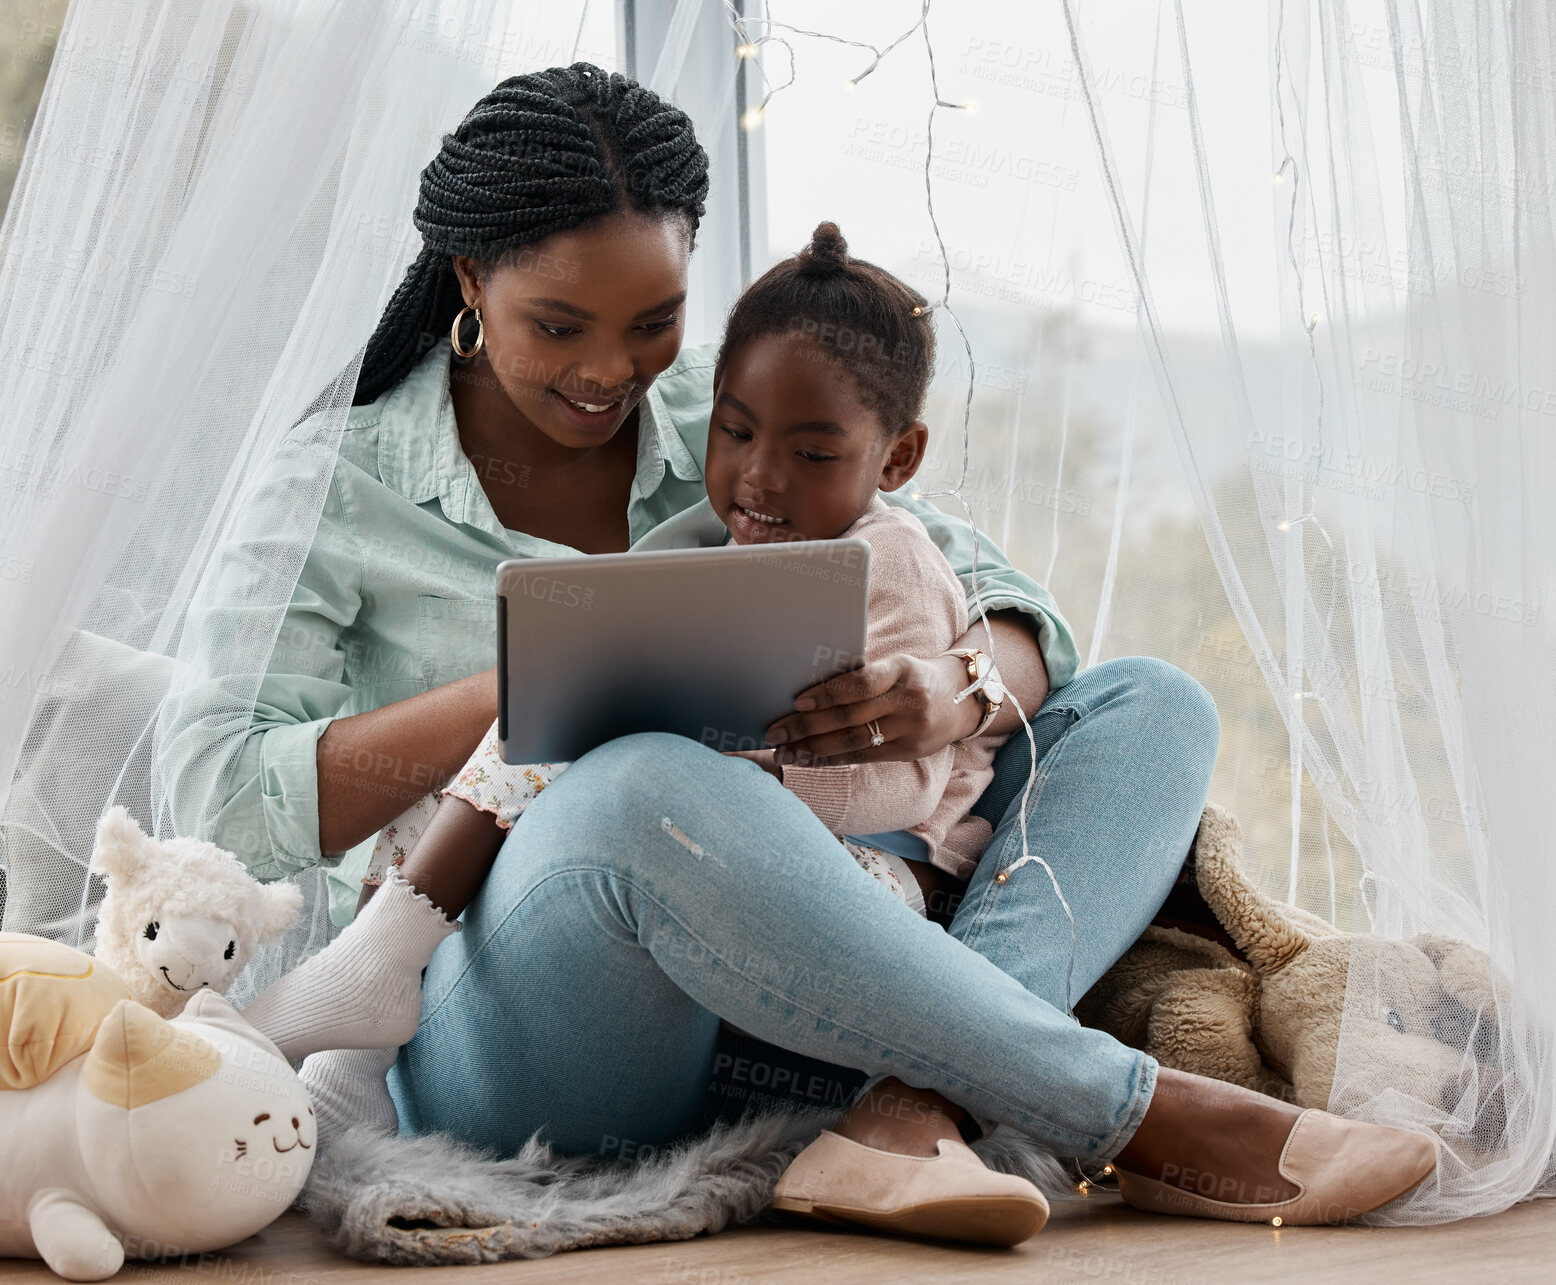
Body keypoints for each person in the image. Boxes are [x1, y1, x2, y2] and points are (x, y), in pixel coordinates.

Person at [161, 63, 1436, 1248]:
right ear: (466, 279)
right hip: (538, 1022)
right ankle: (1128, 1109)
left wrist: (954, 685)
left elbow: (1001, 600)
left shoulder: (729, 419)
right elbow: (217, 790)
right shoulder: (331, 486)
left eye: (652, 321)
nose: (610, 372)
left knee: (1148, 704)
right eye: (558, 326)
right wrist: (550, 668)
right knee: (644, 781)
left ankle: (907, 1102)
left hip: (796, 994)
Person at [240, 218, 1055, 1240]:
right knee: (529, 728)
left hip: (862, 875)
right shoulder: (740, 528)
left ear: (895, 457)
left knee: (600, 727)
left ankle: (365, 997)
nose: (759, 477)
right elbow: (228, 775)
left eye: (809, 453)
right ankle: (357, 1032)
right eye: (734, 432)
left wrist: (732, 772)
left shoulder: (885, 560)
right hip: (648, 892)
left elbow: (904, 785)